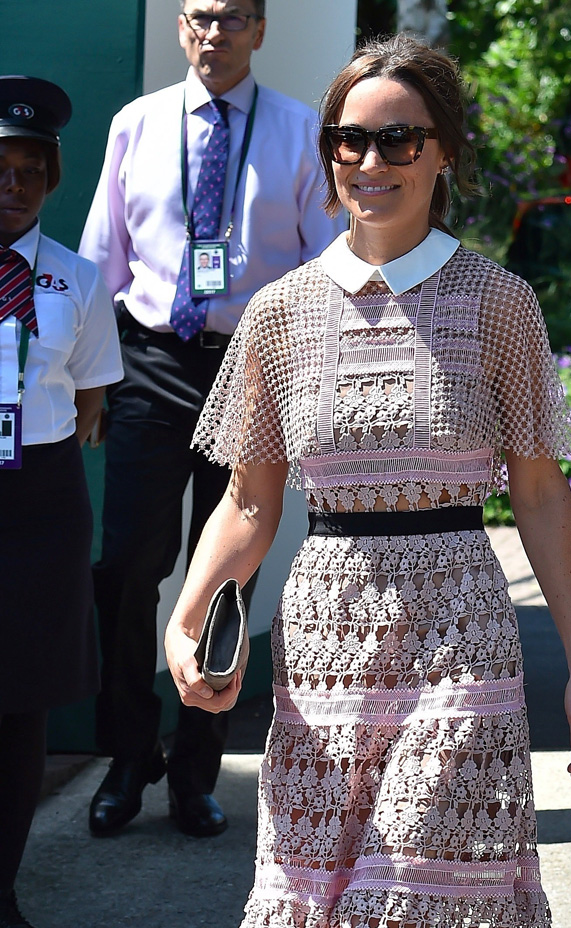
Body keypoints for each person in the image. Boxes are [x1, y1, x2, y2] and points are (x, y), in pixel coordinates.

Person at [165, 34, 571, 928]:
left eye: (399, 139)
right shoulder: (284, 313)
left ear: (444, 157)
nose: (371, 162)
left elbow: (540, 490)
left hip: (461, 632)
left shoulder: (498, 305)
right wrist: (186, 617)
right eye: (350, 141)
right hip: (326, 638)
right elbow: (250, 502)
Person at [79, 0, 339, 840]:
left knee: (226, 569)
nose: (212, 34)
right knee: (125, 566)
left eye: (231, 18)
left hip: (253, 366)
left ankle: (196, 768)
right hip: (151, 361)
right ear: (182, 27)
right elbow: (99, 259)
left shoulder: (300, 131)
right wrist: (88, 378)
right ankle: (127, 753)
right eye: (198, 17)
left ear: (260, 29)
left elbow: (320, 269)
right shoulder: (139, 123)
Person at [0, 77, 123, 928]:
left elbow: (88, 399)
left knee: (20, 711)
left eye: (30, 171)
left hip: (38, 502)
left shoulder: (76, 278)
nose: (12, 184)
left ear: (51, 182)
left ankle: (2, 896)